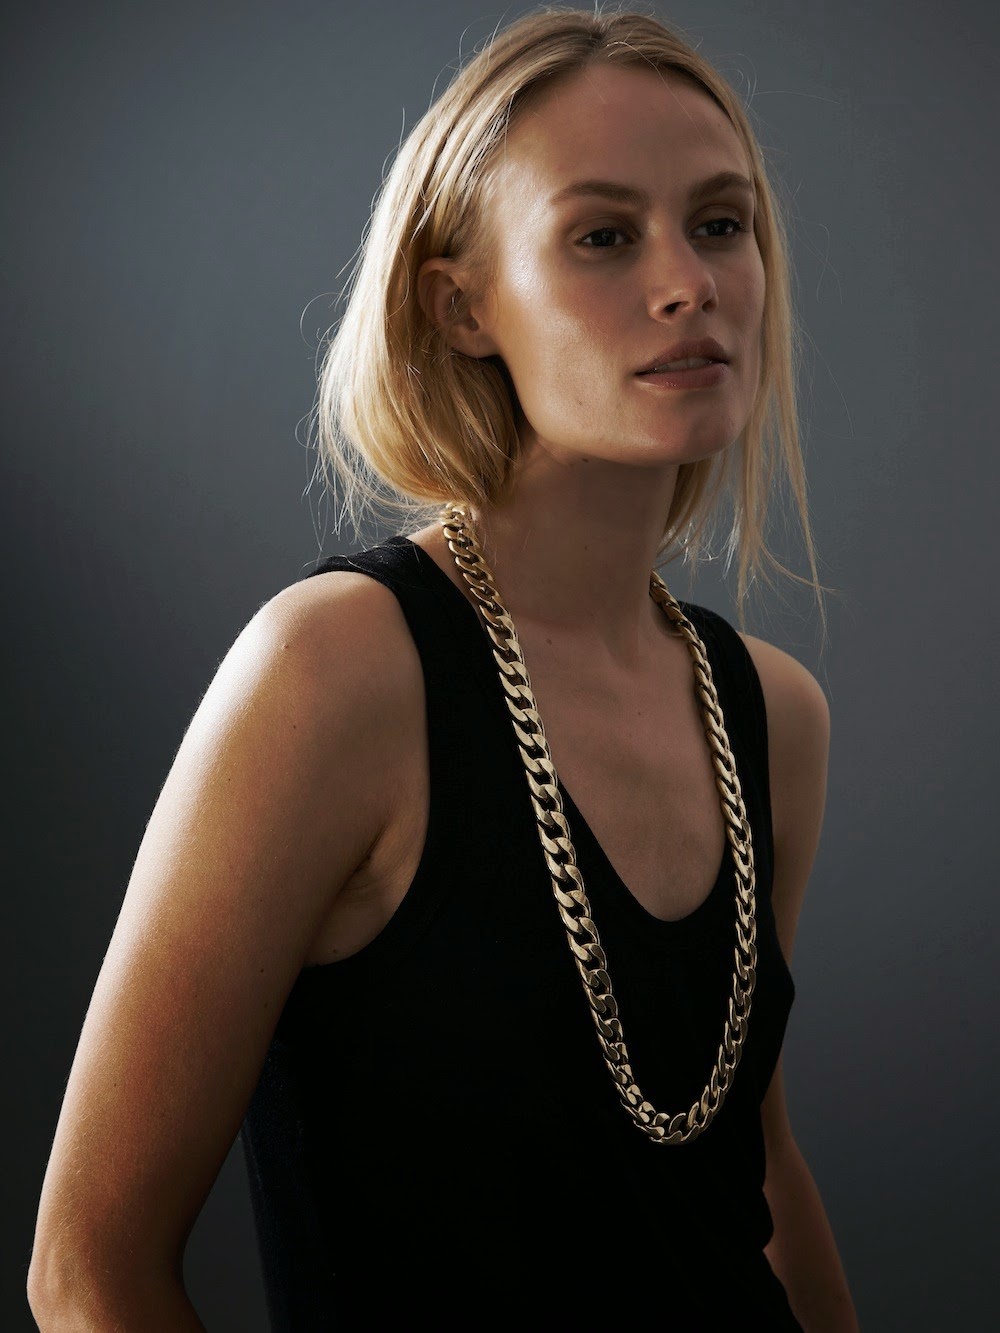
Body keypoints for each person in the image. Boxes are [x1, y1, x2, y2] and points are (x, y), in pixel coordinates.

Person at [27, 6, 861, 1330]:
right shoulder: (335, 671)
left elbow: (752, 1170)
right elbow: (88, 1272)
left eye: (721, 223)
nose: (689, 282)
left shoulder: (771, 713)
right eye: (603, 236)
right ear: (461, 306)